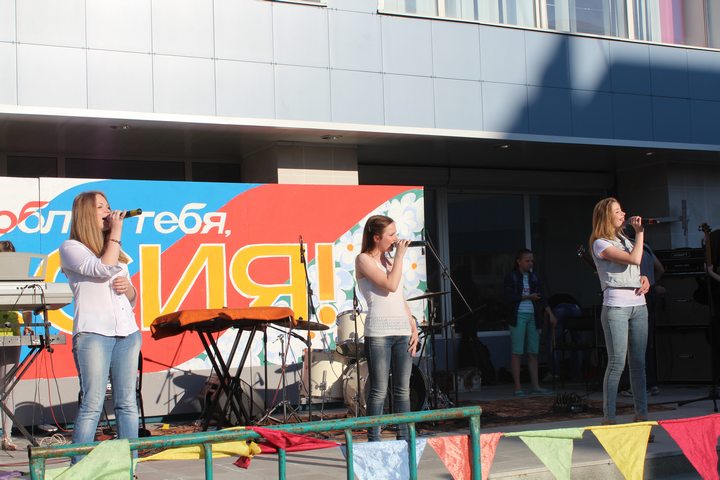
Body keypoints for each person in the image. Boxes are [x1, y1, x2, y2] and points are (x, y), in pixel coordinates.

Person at [59, 191, 141, 462]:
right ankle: (78, 466)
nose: (108, 212)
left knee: (127, 402)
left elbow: (132, 299)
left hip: (127, 332)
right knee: (93, 402)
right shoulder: (72, 247)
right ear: (85, 213)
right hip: (94, 334)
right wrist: (116, 233)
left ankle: (128, 465)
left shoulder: (115, 249)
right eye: (100, 207)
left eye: (108, 206)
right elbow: (101, 269)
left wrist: (128, 288)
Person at [355, 215, 419, 441]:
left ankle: (405, 439)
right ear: (376, 237)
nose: (395, 238)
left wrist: (413, 326)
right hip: (379, 333)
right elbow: (390, 285)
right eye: (391, 235)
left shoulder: (391, 262)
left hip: (402, 331)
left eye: (396, 233)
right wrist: (400, 256)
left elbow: (399, 297)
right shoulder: (363, 260)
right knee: (379, 390)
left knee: (403, 389)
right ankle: (374, 440)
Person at [589, 197, 650, 424]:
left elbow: (635, 267)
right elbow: (634, 258)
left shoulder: (625, 240)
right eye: (617, 211)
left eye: (622, 210)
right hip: (616, 307)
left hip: (639, 305)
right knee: (617, 363)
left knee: (638, 364)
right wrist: (640, 233)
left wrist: (643, 279)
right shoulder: (600, 243)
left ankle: (641, 417)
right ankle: (610, 418)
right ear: (606, 217)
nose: (623, 214)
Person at [503, 248, 557, 396]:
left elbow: (542, 297)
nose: (530, 263)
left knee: (533, 351)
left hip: (533, 315)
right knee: (517, 351)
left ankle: (536, 386)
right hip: (517, 315)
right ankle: (518, 387)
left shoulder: (534, 277)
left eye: (532, 260)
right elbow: (508, 297)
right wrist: (527, 297)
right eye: (527, 260)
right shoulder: (512, 277)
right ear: (518, 261)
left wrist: (551, 314)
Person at [0, 240, 32, 451]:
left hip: (11, 330)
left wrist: (28, 324)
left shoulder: (18, 278)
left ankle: (7, 437)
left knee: (7, 385)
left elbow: (28, 304)